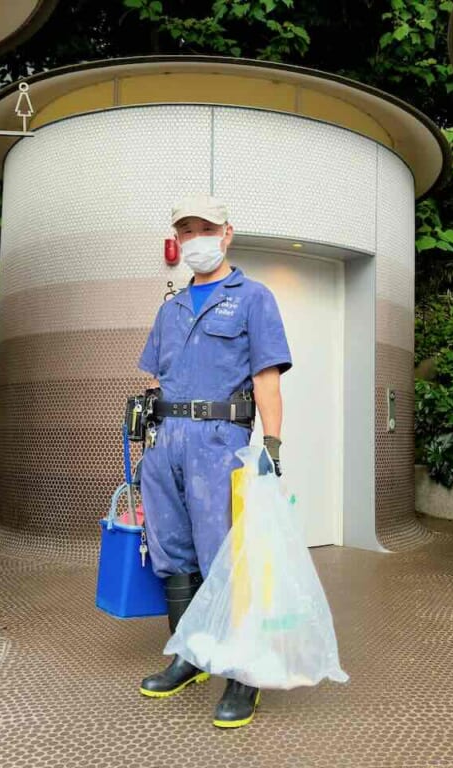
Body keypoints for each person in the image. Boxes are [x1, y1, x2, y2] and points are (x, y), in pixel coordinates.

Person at [137, 194, 292, 728]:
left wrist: (271, 446)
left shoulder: (253, 298)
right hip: (166, 443)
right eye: (186, 230)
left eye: (205, 228)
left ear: (226, 233)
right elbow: (154, 376)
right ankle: (192, 654)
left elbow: (267, 377)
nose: (194, 239)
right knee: (173, 554)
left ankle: (242, 675)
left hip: (219, 441)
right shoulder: (171, 306)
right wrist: (149, 434)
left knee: (227, 559)